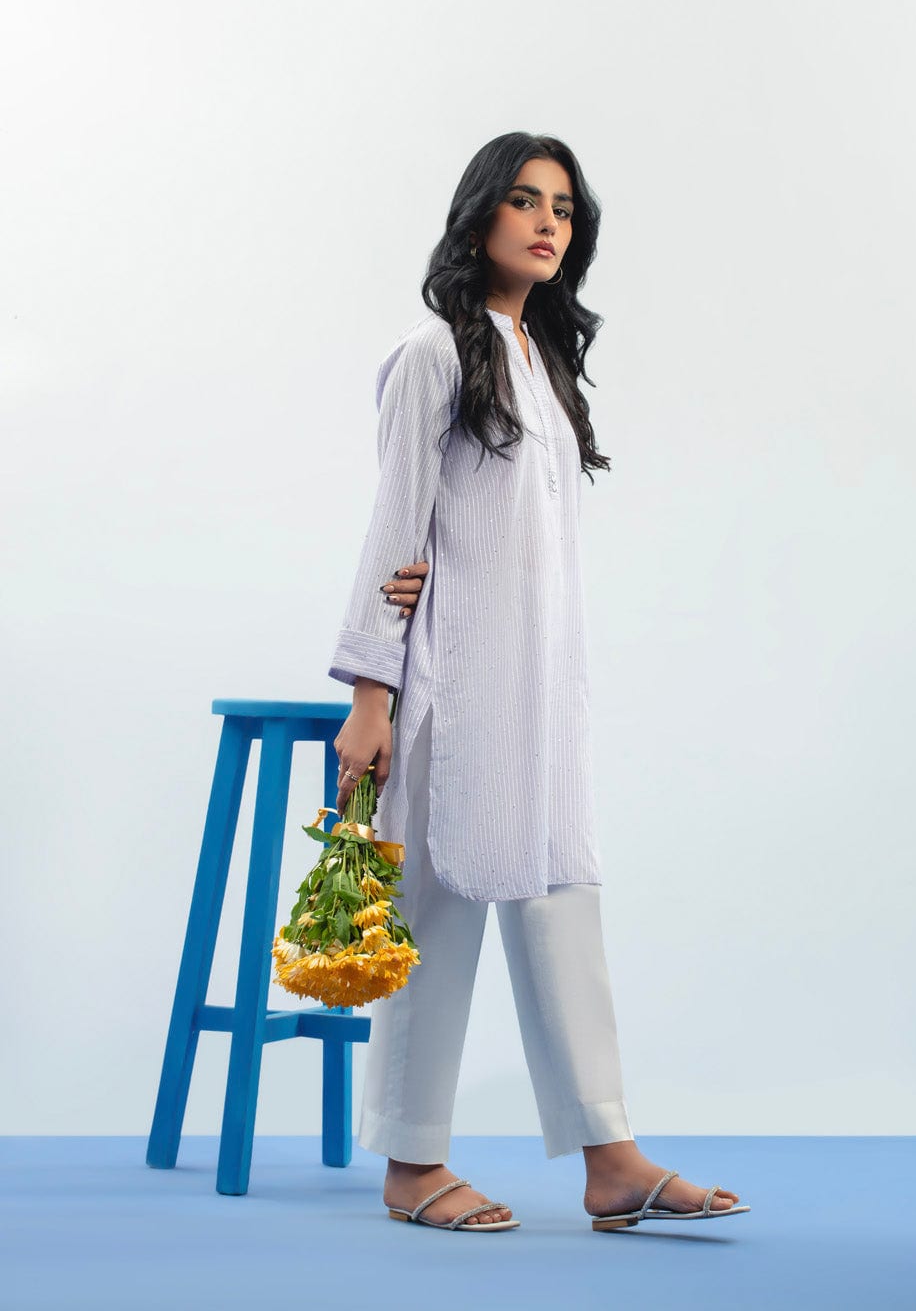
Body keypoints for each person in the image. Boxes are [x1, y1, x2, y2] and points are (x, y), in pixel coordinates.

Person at [327, 132, 749, 1232]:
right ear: (480, 219)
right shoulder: (433, 353)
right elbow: (394, 529)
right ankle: (412, 1163)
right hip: (450, 681)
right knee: (434, 910)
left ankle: (609, 1154)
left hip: (544, 690)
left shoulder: (541, 360)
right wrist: (371, 693)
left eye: (562, 206)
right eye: (524, 200)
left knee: (563, 898)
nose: (547, 221)